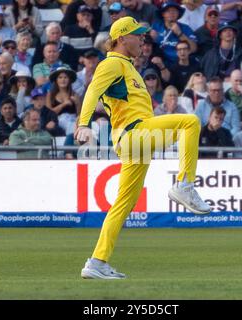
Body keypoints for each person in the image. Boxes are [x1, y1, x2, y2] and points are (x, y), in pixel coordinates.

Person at [75, 17, 211, 280]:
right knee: (190, 122)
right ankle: (184, 184)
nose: (142, 39)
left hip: (136, 141)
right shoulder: (113, 62)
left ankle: (97, 261)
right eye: (137, 35)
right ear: (122, 38)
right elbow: (92, 91)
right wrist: (83, 123)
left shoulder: (126, 67)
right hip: (134, 134)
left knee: (123, 205)